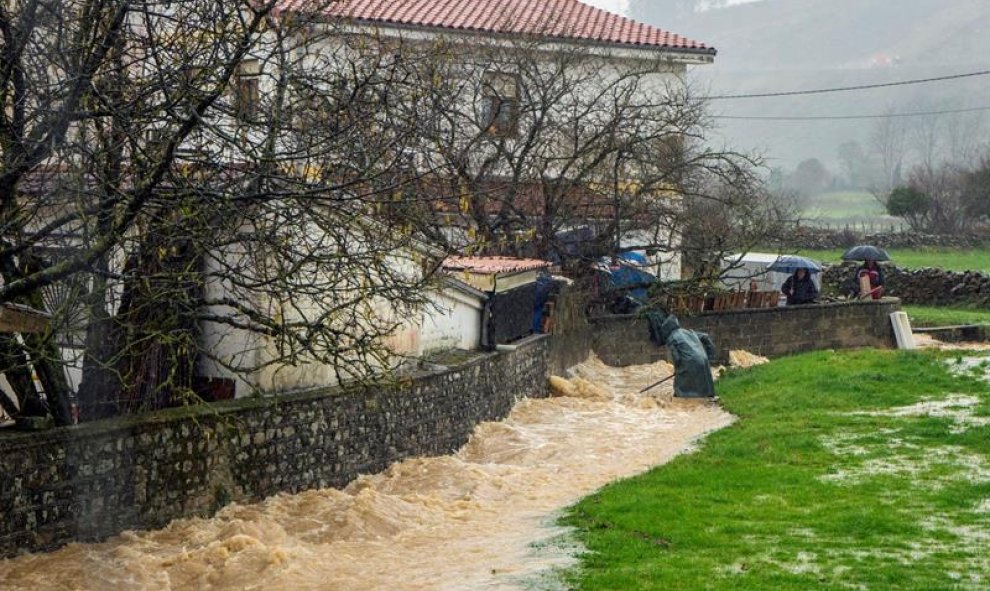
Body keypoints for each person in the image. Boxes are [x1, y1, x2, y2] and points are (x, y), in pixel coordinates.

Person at [645, 310, 716, 398]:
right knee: (704, 393)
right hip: (703, 361)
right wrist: (709, 357)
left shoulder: (671, 338)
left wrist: (677, 371)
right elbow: (706, 337)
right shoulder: (687, 331)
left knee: (680, 393)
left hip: (689, 363)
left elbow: (677, 358)